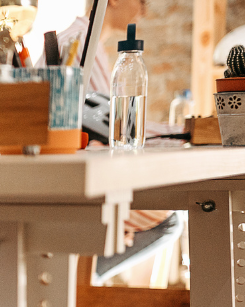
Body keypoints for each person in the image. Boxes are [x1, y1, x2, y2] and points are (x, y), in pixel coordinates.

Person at [57, 0, 181, 280]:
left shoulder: (87, 44)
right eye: (141, 1)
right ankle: (77, 282)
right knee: (168, 220)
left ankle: (80, 280)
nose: (144, 10)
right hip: (72, 184)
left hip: (78, 175)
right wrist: (180, 133)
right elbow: (113, 123)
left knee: (169, 215)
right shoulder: (80, 46)